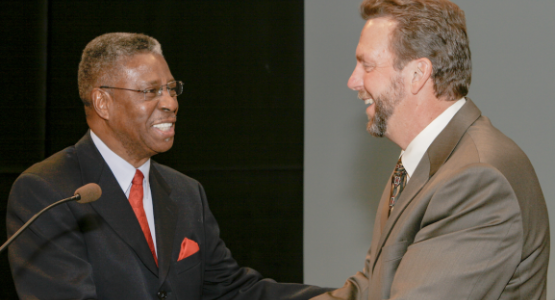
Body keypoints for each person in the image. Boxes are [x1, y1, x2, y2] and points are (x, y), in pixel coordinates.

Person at [6, 32, 329, 300]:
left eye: (172, 89)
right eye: (150, 91)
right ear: (103, 102)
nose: (170, 103)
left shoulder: (185, 192)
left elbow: (232, 290)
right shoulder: (49, 190)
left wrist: (352, 296)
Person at [311, 0, 549, 299]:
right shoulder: (421, 164)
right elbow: (372, 287)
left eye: (367, 65)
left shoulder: (476, 179)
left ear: (418, 73)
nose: (353, 80)